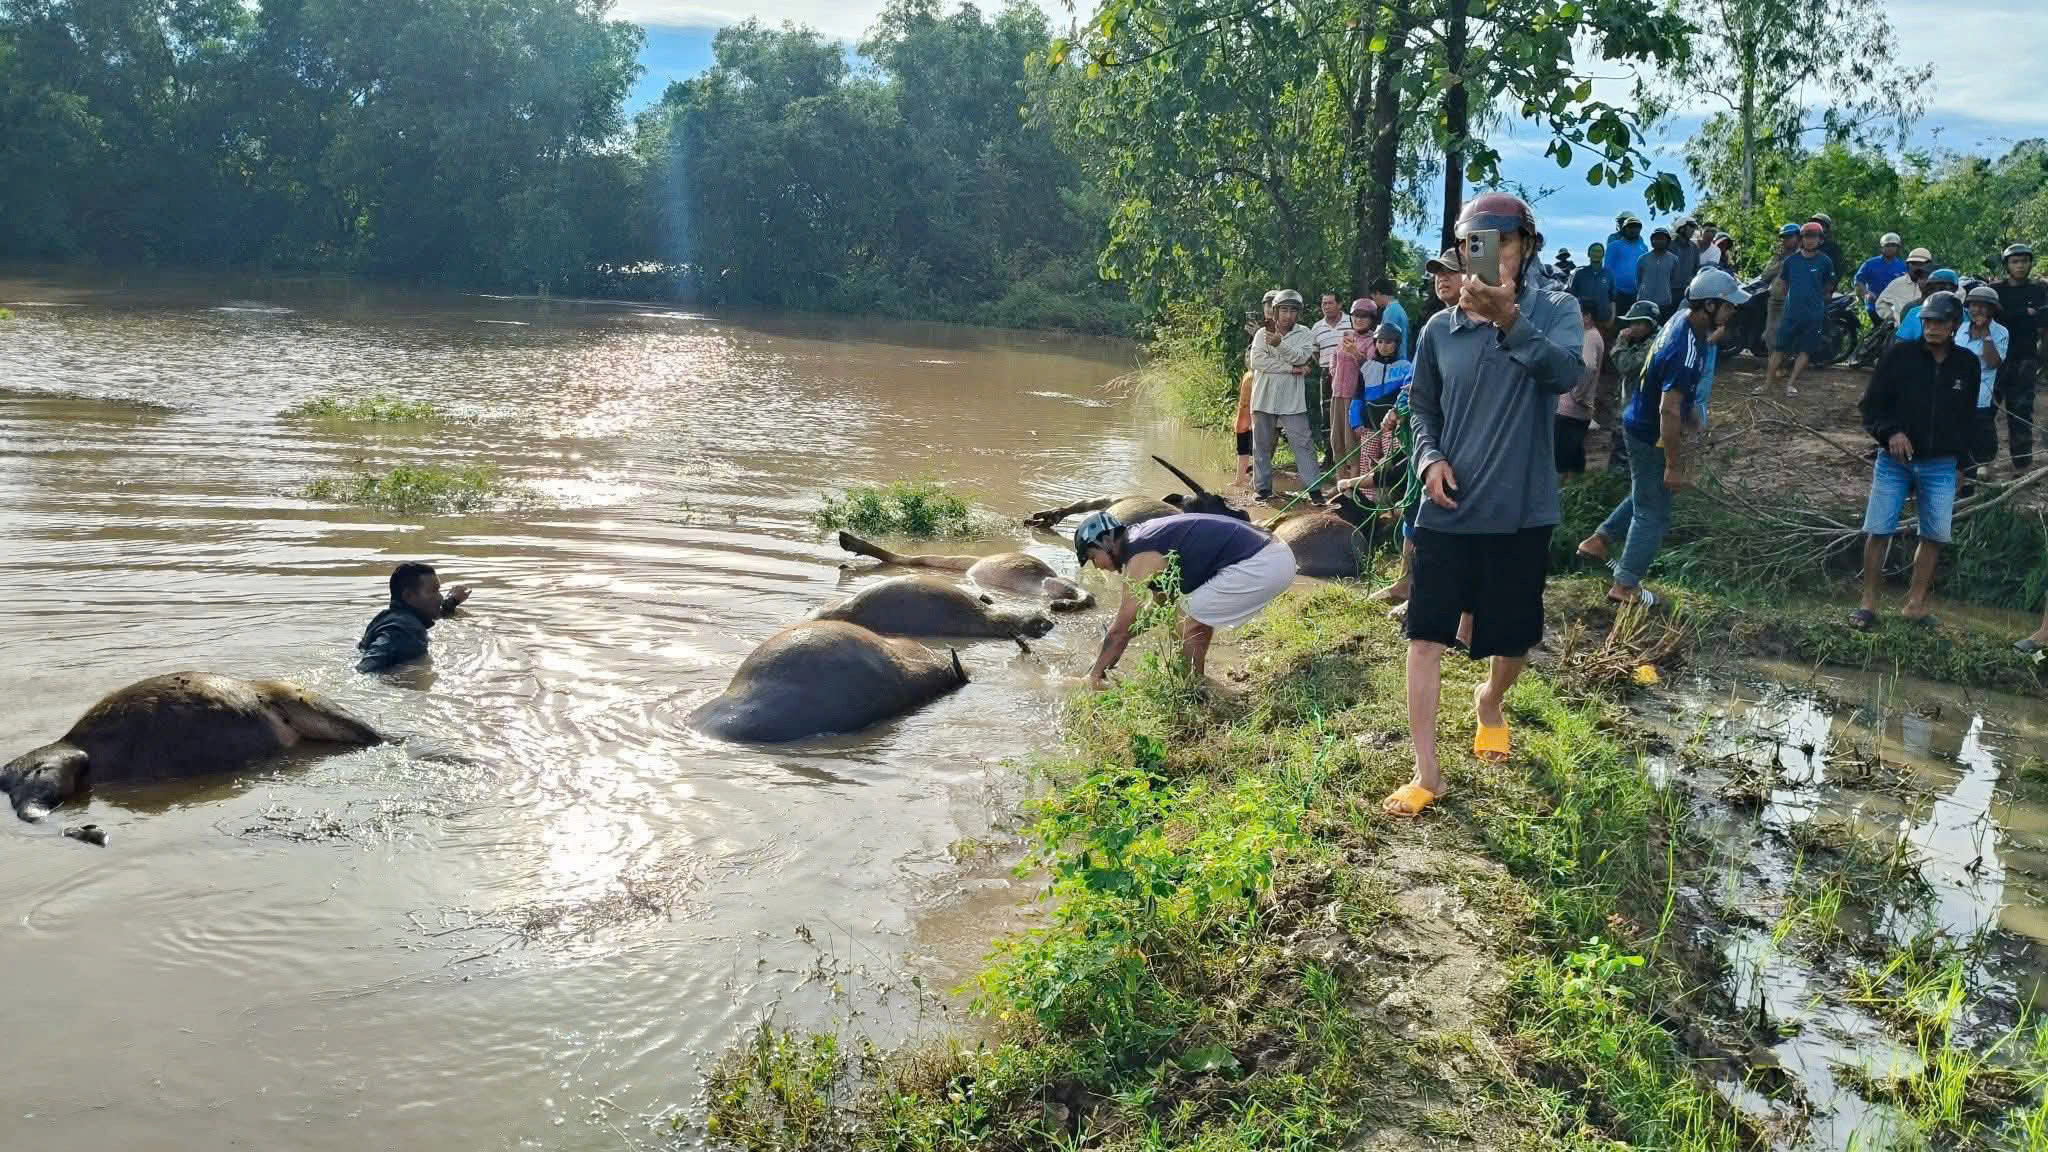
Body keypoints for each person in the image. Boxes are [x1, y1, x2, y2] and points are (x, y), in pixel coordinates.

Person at [1392, 192, 1583, 818]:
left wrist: (1510, 323)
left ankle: (1491, 702)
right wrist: (1428, 458)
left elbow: (1564, 376)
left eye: (1503, 241)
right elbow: (1421, 406)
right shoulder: (1439, 329)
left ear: (1526, 247)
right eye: (1477, 242)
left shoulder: (1556, 310)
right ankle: (1427, 772)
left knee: (1512, 638)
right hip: (1446, 508)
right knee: (1424, 636)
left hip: (1521, 510)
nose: (1490, 254)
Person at [1579, 269, 1749, 606]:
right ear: (1710, 305)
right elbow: (1668, 410)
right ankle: (1625, 585)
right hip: (1649, 432)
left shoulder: (1683, 319)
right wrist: (1674, 463)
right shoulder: (1684, 350)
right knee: (1654, 512)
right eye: (1730, 306)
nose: (1733, 312)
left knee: (1645, 491)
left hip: (1637, 422)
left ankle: (1600, 540)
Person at [1851, 290, 1979, 629]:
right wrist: (1891, 432)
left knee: (1935, 535)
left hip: (1942, 463)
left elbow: (1969, 418)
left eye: (1939, 321)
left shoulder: (1967, 364)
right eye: (1927, 321)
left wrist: (1965, 463)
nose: (1932, 327)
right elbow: (1871, 406)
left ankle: (1916, 605)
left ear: (1954, 325)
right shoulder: (1899, 356)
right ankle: (1867, 605)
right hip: (1894, 461)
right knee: (1879, 529)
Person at [1076, 510, 1296, 687]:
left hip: (1265, 563)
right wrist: (1114, 645)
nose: (1097, 566)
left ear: (1106, 541)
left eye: (1093, 557)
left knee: (1187, 618)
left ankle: (1193, 689)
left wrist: (1093, 676)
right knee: (1181, 615)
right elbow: (1156, 609)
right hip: (1274, 554)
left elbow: (1120, 631)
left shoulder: (1139, 556)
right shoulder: (1144, 540)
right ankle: (1186, 677)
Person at [1249, 288, 1323, 504]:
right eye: (1284, 310)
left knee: (1303, 443)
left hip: (1292, 401)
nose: (1288, 315)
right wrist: (1290, 369)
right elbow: (1257, 362)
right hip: (1263, 397)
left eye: (1292, 310)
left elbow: (1301, 357)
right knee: (1261, 444)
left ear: (1298, 313)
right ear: (1275, 311)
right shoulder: (1261, 333)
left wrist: (1279, 344)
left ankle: (1315, 490)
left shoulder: (1305, 333)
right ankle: (1262, 489)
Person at [357, 562, 472, 672]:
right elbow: (366, 666)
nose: (440, 598)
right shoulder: (403, 630)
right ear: (409, 596)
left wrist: (450, 603)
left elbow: (430, 616)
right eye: (434, 591)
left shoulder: (390, 616)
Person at [1766, 221, 1834, 397]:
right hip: (1791, 313)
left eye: (1814, 237)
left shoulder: (1826, 262)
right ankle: (1767, 384)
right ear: (1801, 239)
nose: (1810, 241)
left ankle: (1790, 384)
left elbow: (1828, 286)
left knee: (1805, 350)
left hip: (1814, 314)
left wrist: (1816, 299)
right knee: (1779, 348)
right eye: (1806, 237)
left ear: (1820, 240)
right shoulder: (1790, 261)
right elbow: (1784, 283)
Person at [1994, 242, 2045, 473]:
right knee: (1985, 410)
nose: (2020, 265)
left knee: (2021, 411)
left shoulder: (2040, 290)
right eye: (2015, 261)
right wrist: (2023, 313)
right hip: (1995, 357)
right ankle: (1980, 462)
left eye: (2024, 261)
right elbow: (1993, 318)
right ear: (2007, 265)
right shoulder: (1996, 290)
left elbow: (2044, 324)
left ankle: (2022, 465)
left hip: (2026, 357)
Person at [1957, 284, 2007, 492]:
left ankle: (1968, 488)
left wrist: (1985, 333)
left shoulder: (2000, 332)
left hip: (1980, 396)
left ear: (1992, 310)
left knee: (1975, 440)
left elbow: (1994, 362)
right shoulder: (1960, 328)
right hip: (1955, 391)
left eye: (1983, 306)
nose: (1977, 310)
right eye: (1973, 305)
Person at [1603, 300, 1662, 475]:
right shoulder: (1642, 340)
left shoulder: (1653, 343)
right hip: (1634, 404)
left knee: (1627, 455)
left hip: (1640, 409)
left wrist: (1621, 342)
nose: (1632, 327)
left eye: (1637, 323)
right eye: (1631, 323)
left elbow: (1626, 365)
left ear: (1650, 324)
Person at [1329, 298, 1376, 480]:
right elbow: (1335, 357)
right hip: (1337, 395)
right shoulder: (1347, 337)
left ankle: (1352, 485)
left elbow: (1371, 368)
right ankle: (1341, 482)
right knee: (1337, 441)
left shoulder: (1372, 341)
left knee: (1352, 442)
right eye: (1356, 315)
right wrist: (1335, 373)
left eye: (1364, 316)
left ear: (1371, 318)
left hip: (1355, 397)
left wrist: (1356, 354)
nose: (1359, 319)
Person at [1556, 298, 1604, 475]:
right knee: (1574, 458)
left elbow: (1588, 367)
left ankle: (1561, 497)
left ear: (1587, 317)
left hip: (1571, 410)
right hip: (1575, 411)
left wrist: (1577, 394)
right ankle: (1574, 492)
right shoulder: (1588, 335)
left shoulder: (1590, 337)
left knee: (1560, 461)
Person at [1896, 268, 1961, 342]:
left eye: (1943, 288)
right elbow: (1901, 344)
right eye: (1933, 288)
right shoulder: (1915, 313)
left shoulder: (1963, 313)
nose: (1938, 292)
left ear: (1955, 289)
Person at [1856, 233, 1909, 321]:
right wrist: (1866, 292)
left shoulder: (1903, 265)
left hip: (1895, 304)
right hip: (1874, 303)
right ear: (1882, 247)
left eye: (1893, 245)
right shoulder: (1870, 263)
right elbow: (1858, 281)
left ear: (1898, 248)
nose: (1890, 248)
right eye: (1887, 245)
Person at [1877, 248, 1933, 328]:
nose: (1917, 267)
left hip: (1928, 329)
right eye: (1913, 263)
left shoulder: (1935, 284)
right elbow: (1880, 304)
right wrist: (1892, 317)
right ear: (1908, 265)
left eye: (1921, 264)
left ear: (1929, 265)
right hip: (1901, 330)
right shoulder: (1897, 283)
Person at [1606, 213, 1649, 314]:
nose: (1633, 229)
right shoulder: (1614, 246)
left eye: (1636, 227)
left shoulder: (1644, 247)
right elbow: (1607, 269)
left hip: (1637, 294)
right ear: (1624, 229)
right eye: (1630, 227)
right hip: (1618, 293)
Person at [1568, 242, 1615, 330]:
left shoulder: (1609, 274)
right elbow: (1572, 298)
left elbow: (1612, 300)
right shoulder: (1579, 274)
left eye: (1599, 251)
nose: (1596, 254)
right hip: (1583, 322)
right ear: (1588, 254)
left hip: (1603, 321)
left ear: (1603, 254)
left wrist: (1612, 319)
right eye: (1593, 251)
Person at [1636, 225, 1679, 318]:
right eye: (1656, 238)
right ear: (1652, 240)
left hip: (1664, 303)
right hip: (1644, 302)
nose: (1659, 241)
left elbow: (1674, 280)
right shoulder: (1642, 258)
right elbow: (1638, 280)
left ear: (1667, 241)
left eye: (1662, 238)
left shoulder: (1674, 259)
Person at [1370, 277, 1410, 358]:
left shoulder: (1390, 312)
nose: (1374, 302)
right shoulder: (1398, 308)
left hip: (1395, 360)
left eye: (1373, 298)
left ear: (1378, 293)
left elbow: (1386, 339)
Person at [1671, 218, 1701, 302]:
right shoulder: (1669, 246)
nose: (1693, 230)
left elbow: (1696, 269)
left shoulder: (1694, 247)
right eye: (1691, 226)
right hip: (1670, 291)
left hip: (1688, 291)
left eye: (1694, 227)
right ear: (1681, 228)